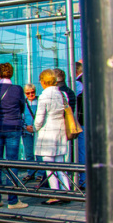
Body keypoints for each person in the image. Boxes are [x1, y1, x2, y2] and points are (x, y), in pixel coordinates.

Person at [0, 63, 27, 209]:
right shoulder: (17, 89)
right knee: (12, 162)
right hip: (13, 127)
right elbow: (22, 107)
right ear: (12, 73)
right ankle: (13, 200)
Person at [34, 69, 71, 204]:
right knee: (60, 164)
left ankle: (55, 193)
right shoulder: (63, 95)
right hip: (60, 133)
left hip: (48, 134)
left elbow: (39, 119)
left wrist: (34, 128)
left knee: (49, 167)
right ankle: (66, 191)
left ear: (43, 82)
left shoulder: (44, 96)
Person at [21, 83, 41, 181]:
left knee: (39, 154)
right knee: (29, 153)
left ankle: (40, 173)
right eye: (28, 93)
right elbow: (20, 117)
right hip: (27, 131)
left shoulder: (40, 101)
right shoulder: (23, 104)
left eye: (32, 92)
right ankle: (31, 172)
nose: (30, 95)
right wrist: (25, 126)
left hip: (38, 131)